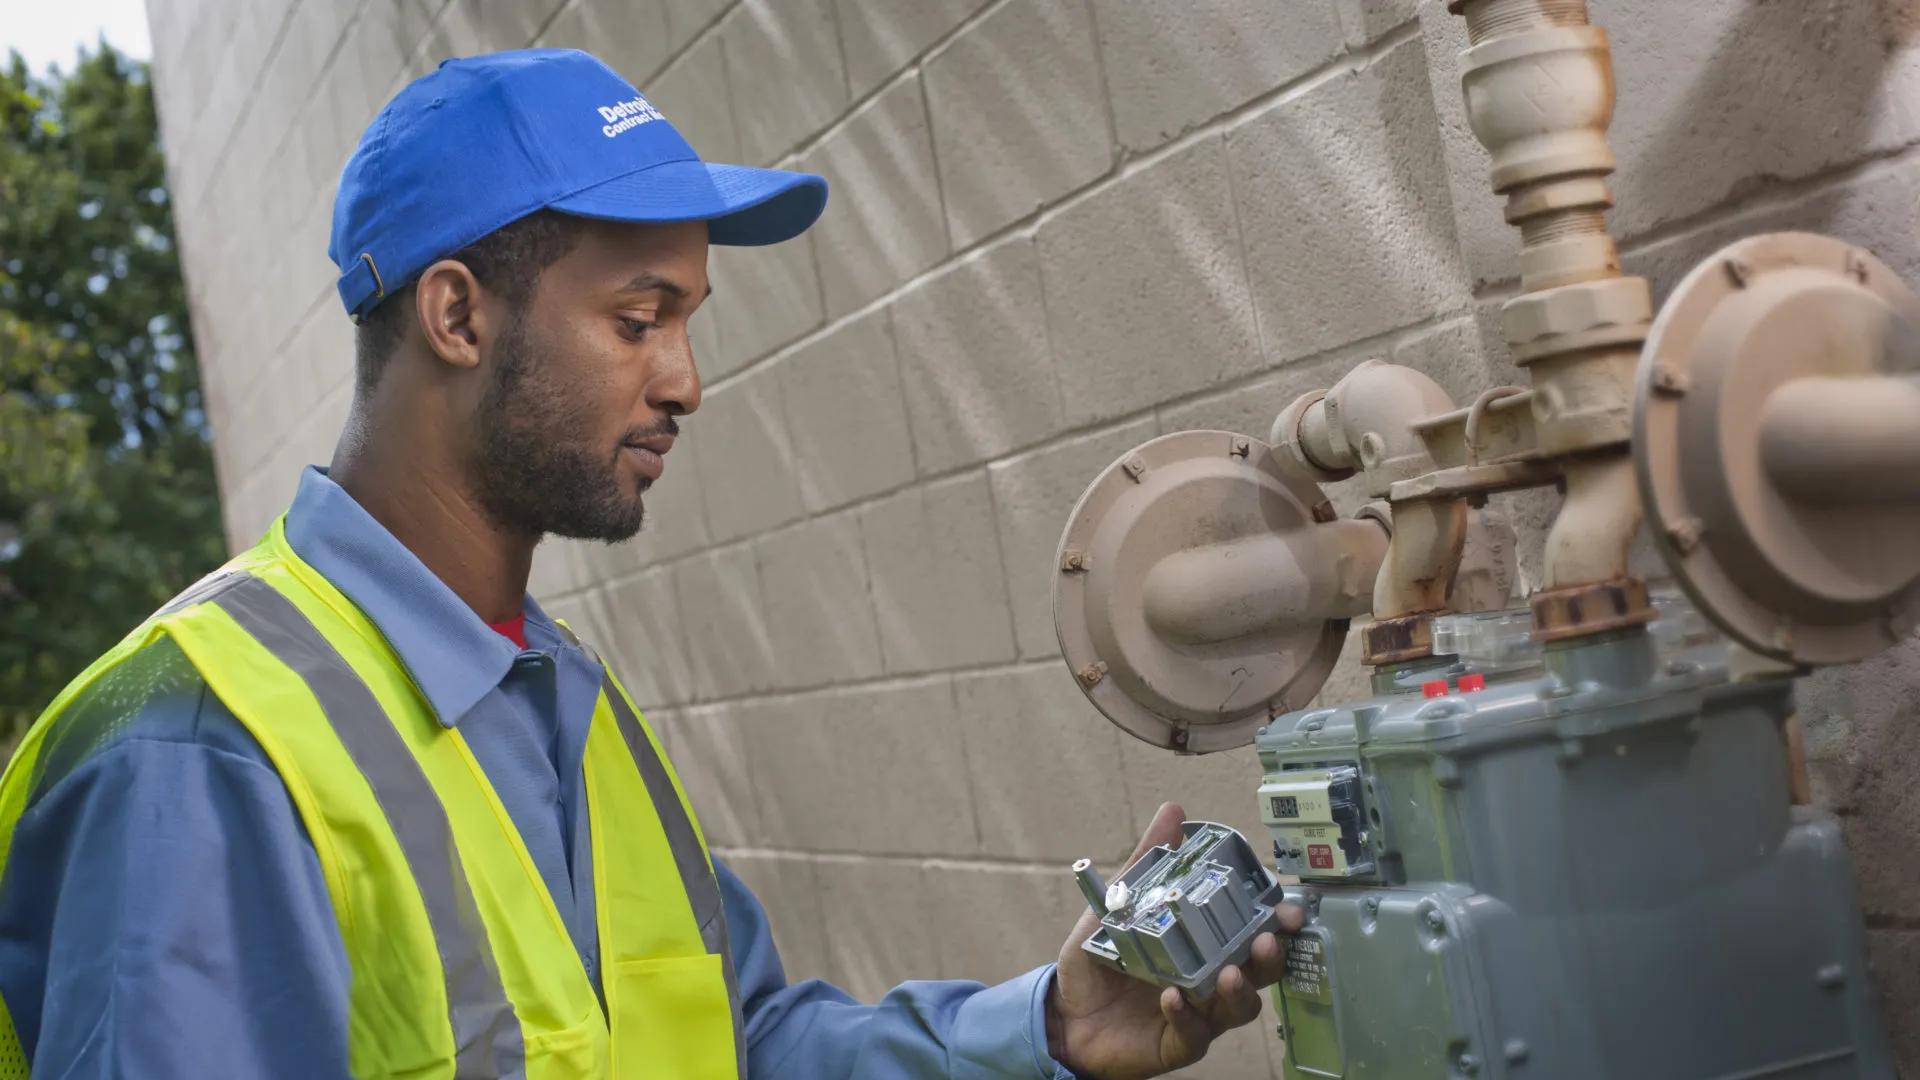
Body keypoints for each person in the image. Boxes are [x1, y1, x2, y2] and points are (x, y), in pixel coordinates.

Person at [0, 48, 1300, 1079]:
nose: (682, 380)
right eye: (638, 319)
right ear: (457, 313)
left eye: (686, 321)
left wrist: (1053, 1031)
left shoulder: (566, 704)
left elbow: (738, 1052)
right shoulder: (195, 755)